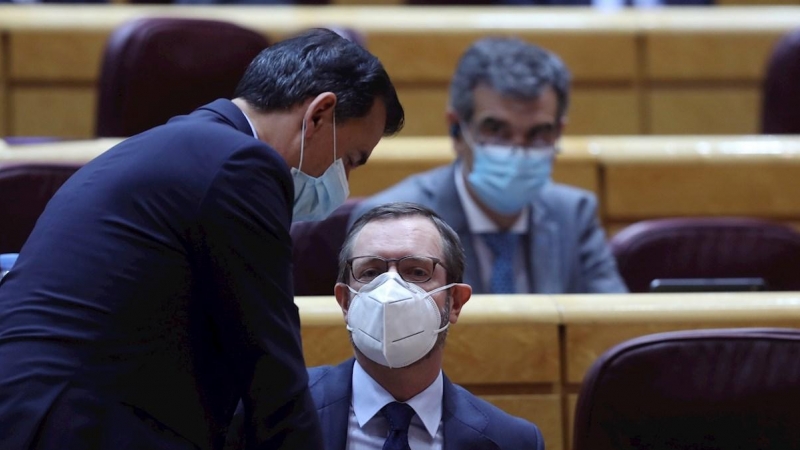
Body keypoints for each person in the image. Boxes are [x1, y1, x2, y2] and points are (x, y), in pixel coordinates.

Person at [0, 29, 403, 450]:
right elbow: (271, 368)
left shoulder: (180, 143)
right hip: (76, 424)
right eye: (350, 160)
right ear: (319, 114)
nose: (344, 180)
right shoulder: (241, 166)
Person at [350, 37, 627, 295]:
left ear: (558, 133)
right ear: (457, 129)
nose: (518, 150)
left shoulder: (574, 216)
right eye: (497, 130)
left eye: (538, 133)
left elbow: (614, 327)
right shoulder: (390, 223)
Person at [309, 202, 543, 449]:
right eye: (370, 273)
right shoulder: (279, 407)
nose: (390, 291)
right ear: (345, 302)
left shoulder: (512, 441)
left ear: (455, 303)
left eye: (417, 272)